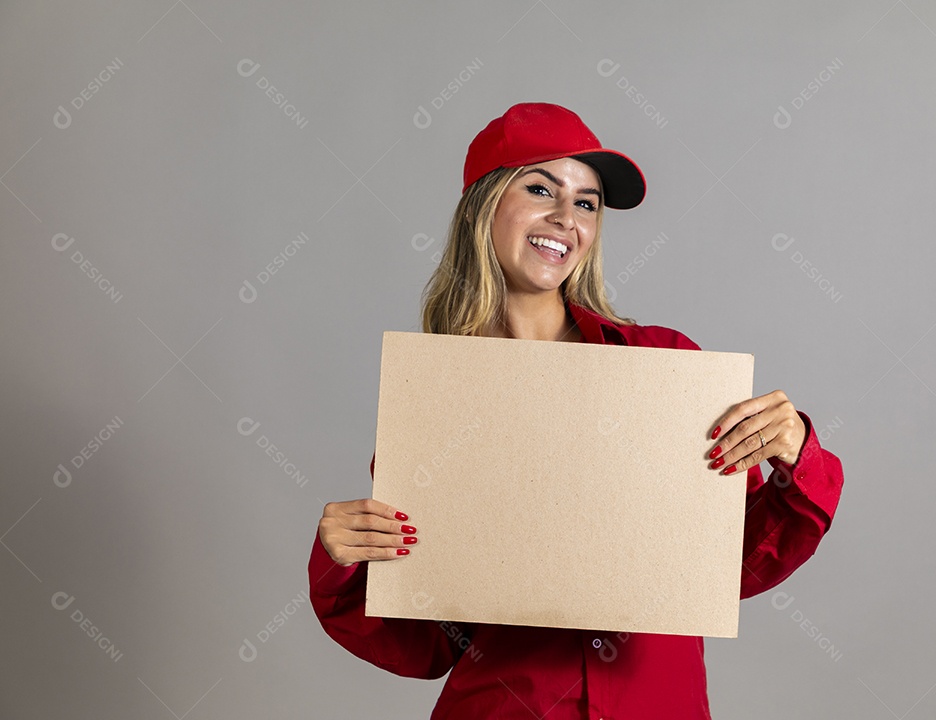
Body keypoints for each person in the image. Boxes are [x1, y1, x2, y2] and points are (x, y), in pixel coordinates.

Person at [308, 102, 844, 719]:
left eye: (587, 203)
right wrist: (344, 562)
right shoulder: (435, 403)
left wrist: (796, 458)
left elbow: (727, 567)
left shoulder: (663, 367)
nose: (566, 218)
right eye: (542, 189)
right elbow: (431, 642)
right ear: (483, 205)